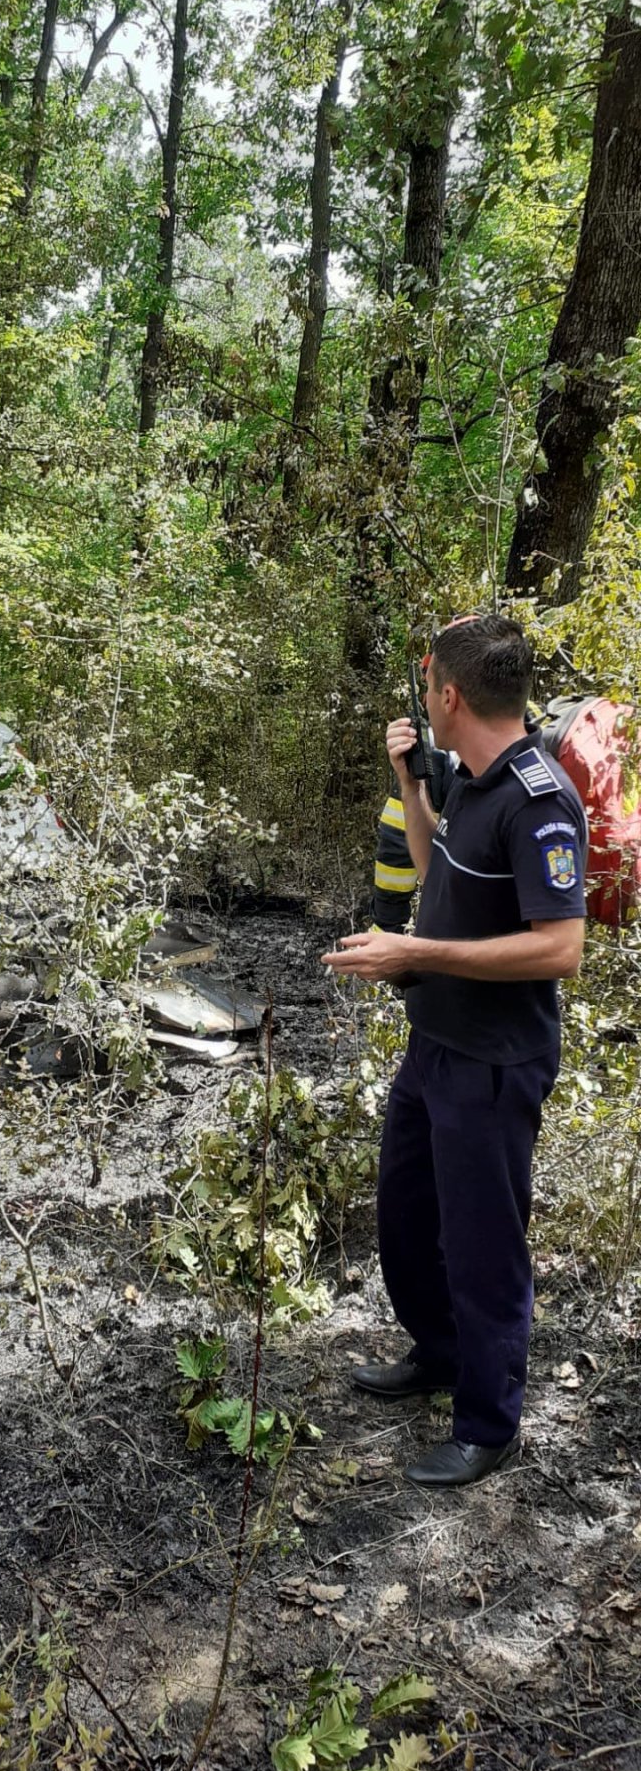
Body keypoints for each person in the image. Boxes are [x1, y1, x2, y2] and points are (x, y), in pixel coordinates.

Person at [323, 616, 587, 1488]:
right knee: (406, 1215)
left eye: (429, 684)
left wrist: (416, 954)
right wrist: (411, 786)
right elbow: (440, 876)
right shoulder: (470, 781)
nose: (425, 698)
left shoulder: (539, 798)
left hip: (494, 1060)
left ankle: (489, 1422)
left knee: (483, 1244)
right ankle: (437, 1354)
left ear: (450, 696)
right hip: (434, 1041)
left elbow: (559, 949)